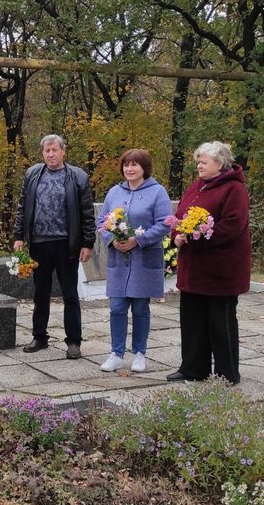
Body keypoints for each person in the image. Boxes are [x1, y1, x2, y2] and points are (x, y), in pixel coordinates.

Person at [166, 141, 250, 385]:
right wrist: (177, 235)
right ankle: (193, 369)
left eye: (204, 161)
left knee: (220, 324)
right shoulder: (197, 187)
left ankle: (227, 374)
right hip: (194, 270)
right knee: (192, 322)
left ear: (220, 163)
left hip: (221, 270)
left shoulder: (234, 189)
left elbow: (232, 226)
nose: (199, 165)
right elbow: (180, 217)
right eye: (198, 161)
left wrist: (196, 239)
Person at [12, 134, 96, 358]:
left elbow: (88, 214)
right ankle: (39, 337)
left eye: (54, 150)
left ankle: (74, 342)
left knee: (70, 293)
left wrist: (88, 243)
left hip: (66, 244)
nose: (51, 154)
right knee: (40, 293)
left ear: (63, 151)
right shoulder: (32, 174)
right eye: (47, 151)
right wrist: (19, 235)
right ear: (43, 153)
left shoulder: (77, 177)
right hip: (38, 243)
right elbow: (23, 207)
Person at [97, 149, 172, 373]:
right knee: (117, 307)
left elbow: (164, 223)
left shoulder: (157, 192)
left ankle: (139, 353)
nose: (129, 169)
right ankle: (116, 353)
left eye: (135, 165)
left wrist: (138, 240)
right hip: (119, 261)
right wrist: (112, 240)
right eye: (126, 165)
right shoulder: (114, 192)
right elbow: (102, 221)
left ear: (144, 168)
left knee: (140, 308)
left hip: (143, 259)